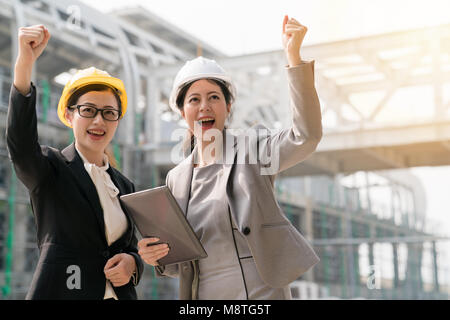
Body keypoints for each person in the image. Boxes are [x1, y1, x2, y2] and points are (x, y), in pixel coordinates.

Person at [138, 15, 322, 300]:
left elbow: (305, 136)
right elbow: (179, 263)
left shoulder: (254, 150)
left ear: (228, 105)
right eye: (194, 100)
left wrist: (294, 59)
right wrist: (155, 256)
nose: (204, 107)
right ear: (182, 111)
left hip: (262, 294)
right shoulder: (176, 179)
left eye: (213, 97)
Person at [6, 25, 144, 300]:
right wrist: (25, 64)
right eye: (88, 110)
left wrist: (132, 263)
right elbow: (20, 145)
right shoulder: (50, 169)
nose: (98, 121)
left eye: (108, 113)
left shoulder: (123, 185)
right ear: (69, 116)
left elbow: (131, 247)